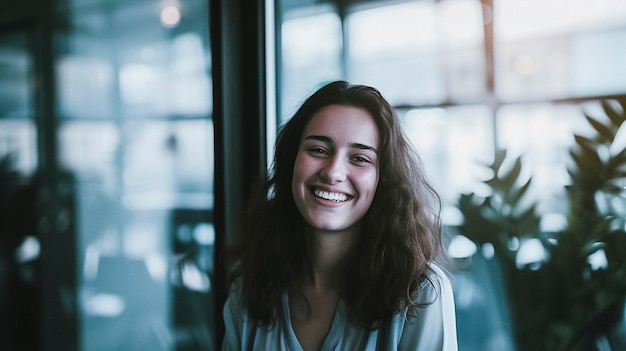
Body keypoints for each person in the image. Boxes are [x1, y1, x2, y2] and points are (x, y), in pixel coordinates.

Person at [223, 80, 457, 351]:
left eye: (359, 158)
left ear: (383, 179)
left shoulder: (421, 294)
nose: (333, 172)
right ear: (291, 162)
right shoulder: (250, 288)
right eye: (318, 150)